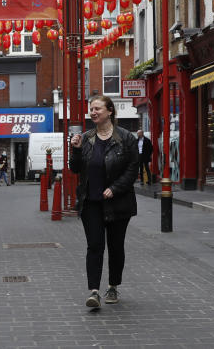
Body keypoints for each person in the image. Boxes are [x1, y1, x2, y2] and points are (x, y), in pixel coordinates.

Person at [69, 95, 139, 309]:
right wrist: (76, 149)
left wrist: (115, 189)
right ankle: (94, 292)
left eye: (97, 108)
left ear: (110, 111)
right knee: (95, 246)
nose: (93, 112)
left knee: (116, 246)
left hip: (118, 202)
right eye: (91, 109)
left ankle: (113, 286)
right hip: (91, 202)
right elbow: (75, 168)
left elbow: (132, 169)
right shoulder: (87, 138)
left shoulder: (126, 138)